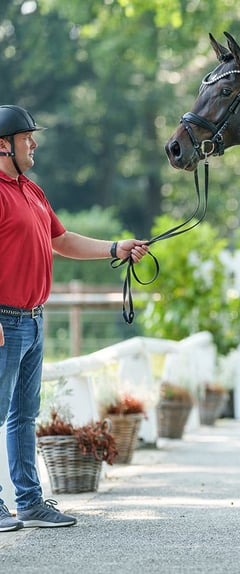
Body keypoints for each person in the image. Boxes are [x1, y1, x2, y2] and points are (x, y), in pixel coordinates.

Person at [0, 104, 149, 531]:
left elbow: (61, 240)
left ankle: (28, 502)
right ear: (3, 145)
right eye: (27, 137)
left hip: (33, 319)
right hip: (4, 320)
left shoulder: (31, 190)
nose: (34, 143)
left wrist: (114, 247)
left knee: (25, 415)